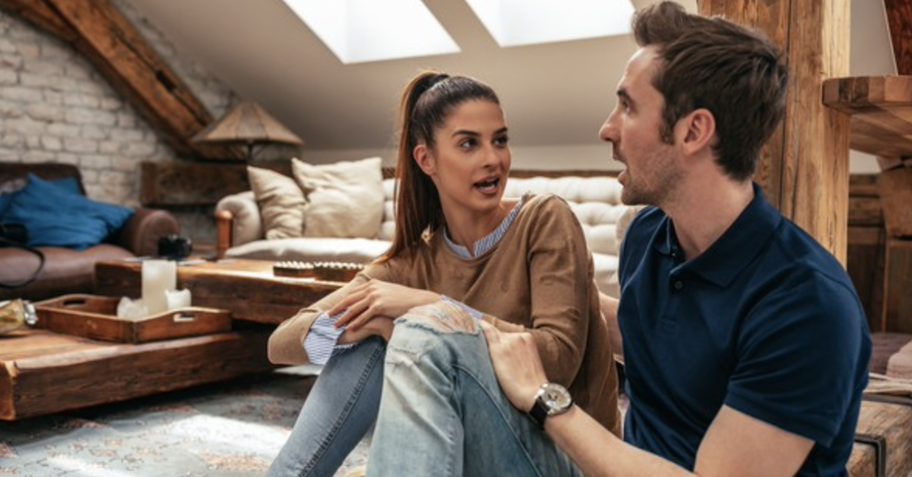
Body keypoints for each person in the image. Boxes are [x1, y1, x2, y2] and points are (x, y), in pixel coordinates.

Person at [363, 3, 872, 476]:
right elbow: (652, 335)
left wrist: (545, 397)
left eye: (627, 107)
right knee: (424, 334)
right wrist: (529, 289)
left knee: (430, 333)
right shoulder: (650, 235)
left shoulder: (808, 305)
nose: (607, 129)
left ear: (694, 132)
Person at [265, 71, 620, 476]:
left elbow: (558, 361)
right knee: (372, 333)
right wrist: (361, 326)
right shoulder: (412, 263)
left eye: (500, 140)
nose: (493, 158)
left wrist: (433, 308)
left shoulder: (544, 218)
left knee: (418, 328)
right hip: (469, 456)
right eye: (469, 143)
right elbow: (282, 343)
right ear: (426, 159)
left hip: (568, 458)